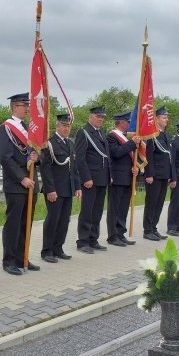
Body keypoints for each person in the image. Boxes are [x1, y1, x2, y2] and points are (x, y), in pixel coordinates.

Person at [0, 93, 40, 275]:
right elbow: (5, 158)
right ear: (14, 107)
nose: (27, 108)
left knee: (26, 222)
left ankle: (23, 257)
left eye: (27, 105)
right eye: (24, 105)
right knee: (14, 223)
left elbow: (37, 151)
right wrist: (21, 178)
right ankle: (9, 261)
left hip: (32, 182)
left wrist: (36, 157)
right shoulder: (6, 128)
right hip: (16, 183)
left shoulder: (29, 128)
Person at [39, 114, 81, 262]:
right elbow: (46, 169)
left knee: (64, 220)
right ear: (57, 126)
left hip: (67, 188)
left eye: (68, 126)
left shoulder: (70, 143)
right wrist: (50, 189)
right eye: (64, 126)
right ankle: (47, 251)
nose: (67, 128)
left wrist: (77, 186)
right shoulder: (49, 143)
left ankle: (58, 248)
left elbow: (73, 167)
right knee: (53, 220)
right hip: (55, 189)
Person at [75, 106, 111, 253]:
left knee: (97, 211)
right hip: (91, 179)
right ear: (91, 117)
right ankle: (83, 241)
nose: (101, 119)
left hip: (102, 178)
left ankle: (93, 239)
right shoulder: (83, 132)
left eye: (102, 117)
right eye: (98, 117)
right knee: (87, 211)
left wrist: (110, 176)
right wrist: (86, 178)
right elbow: (80, 158)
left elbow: (106, 156)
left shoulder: (101, 132)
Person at [106, 111, 139, 246]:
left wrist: (135, 167)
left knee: (123, 207)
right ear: (120, 122)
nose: (130, 125)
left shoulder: (126, 138)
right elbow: (117, 153)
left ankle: (120, 233)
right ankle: (112, 235)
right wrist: (132, 143)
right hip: (117, 177)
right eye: (128, 122)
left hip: (128, 177)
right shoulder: (111, 137)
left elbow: (130, 157)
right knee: (114, 208)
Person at [142, 106, 171, 241]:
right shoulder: (151, 135)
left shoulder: (165, 134)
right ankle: (147, 230)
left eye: (166, 117)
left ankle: (154, 227)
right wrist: (149, 174)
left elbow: (168, 157)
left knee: (159, 203)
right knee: (152, 203)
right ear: (156, 119)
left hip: (164, 174)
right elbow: (149, 156)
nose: (167, 120)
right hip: (154, 175)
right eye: (164, 117)